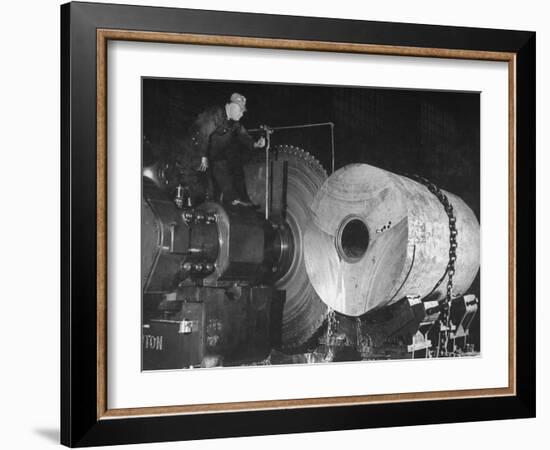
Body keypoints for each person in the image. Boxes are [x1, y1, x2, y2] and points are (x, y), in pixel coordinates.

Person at [176, 92, 265, 206]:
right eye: (240, 110)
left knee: (225, 179)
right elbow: (203, 133)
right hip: (196, 152)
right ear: (230, 106)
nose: (241, 114)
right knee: (203, 187)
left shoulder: (234, 123)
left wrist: (255, 144)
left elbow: (243, 135)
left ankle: (233, 201)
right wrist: (202, 156)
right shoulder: (216, 114)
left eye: (243, 111)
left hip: (214, 157)